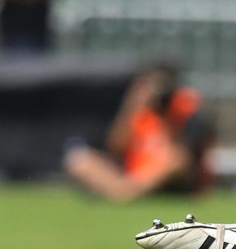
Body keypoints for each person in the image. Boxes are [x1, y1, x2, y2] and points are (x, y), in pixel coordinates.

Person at [62, 62, 216, 202]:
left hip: (167, 180)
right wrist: (133, 105)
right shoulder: (137, 111)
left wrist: (166, 113)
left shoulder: (184, 109)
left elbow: (185, 156)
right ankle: (123, 191)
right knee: (79, 159)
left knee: (176, 159)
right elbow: (116, 148)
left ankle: (125, 192)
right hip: (134, 173)